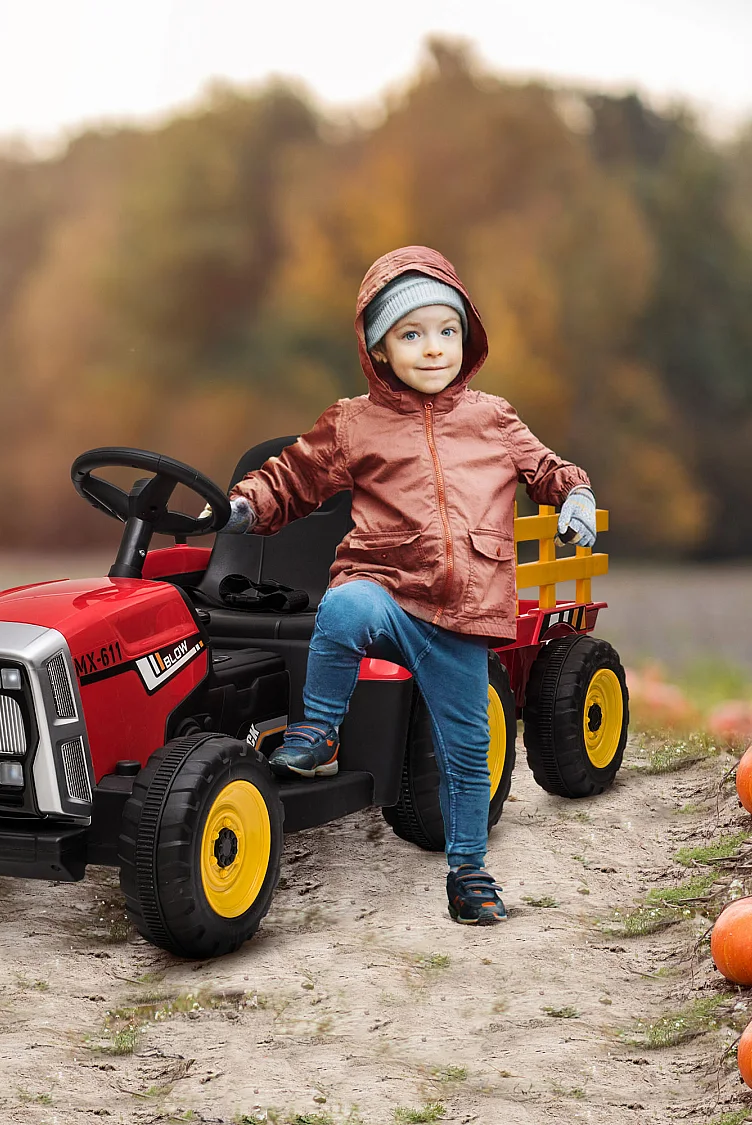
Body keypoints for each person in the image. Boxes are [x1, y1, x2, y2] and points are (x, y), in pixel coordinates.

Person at [211, 245, 596, 925]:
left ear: (468, 337)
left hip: (463, 613)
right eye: (411, 334)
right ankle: (320, 732)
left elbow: (546, 469)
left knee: (468, 752)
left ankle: (468, 872)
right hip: (387, 587)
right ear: (379, 350)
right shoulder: (353, 422)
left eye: (447, 330)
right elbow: (292, 477)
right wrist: (246, 504)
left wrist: (574, 496)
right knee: (343, 606)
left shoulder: (493, 418)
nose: (433, 347)